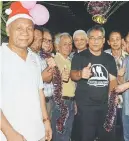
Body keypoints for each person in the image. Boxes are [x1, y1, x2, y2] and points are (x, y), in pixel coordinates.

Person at [0, 2, 52, 141]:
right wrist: (9, 133)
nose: (25, 33)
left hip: (38, 133)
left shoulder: (34, 58)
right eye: (19, 28)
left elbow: (39, 91)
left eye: (29, 28)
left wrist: (46, 120)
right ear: (8, 29)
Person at [70, 25, 117, 141]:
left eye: (99, 38)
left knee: (106, 137)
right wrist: (81, 74)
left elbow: (113, 80)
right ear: (88, 40)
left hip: (105, 106)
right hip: (86, 107)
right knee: (86, 137)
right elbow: (72, 75)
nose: (96, 41)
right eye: (92, 38)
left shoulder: (109, 59)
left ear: (103, 40)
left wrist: (112, 96)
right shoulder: (79, 57)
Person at [52, 33, 76, 141]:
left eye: (70, 44)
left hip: (70, 101)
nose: (68, 46)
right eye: (65, 44)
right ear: (58, 46)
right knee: (59, 135)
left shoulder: (70, 60)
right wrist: (59, 77)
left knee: (68, 134)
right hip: (60, 102)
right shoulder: (54, 60)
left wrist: (74, 102)